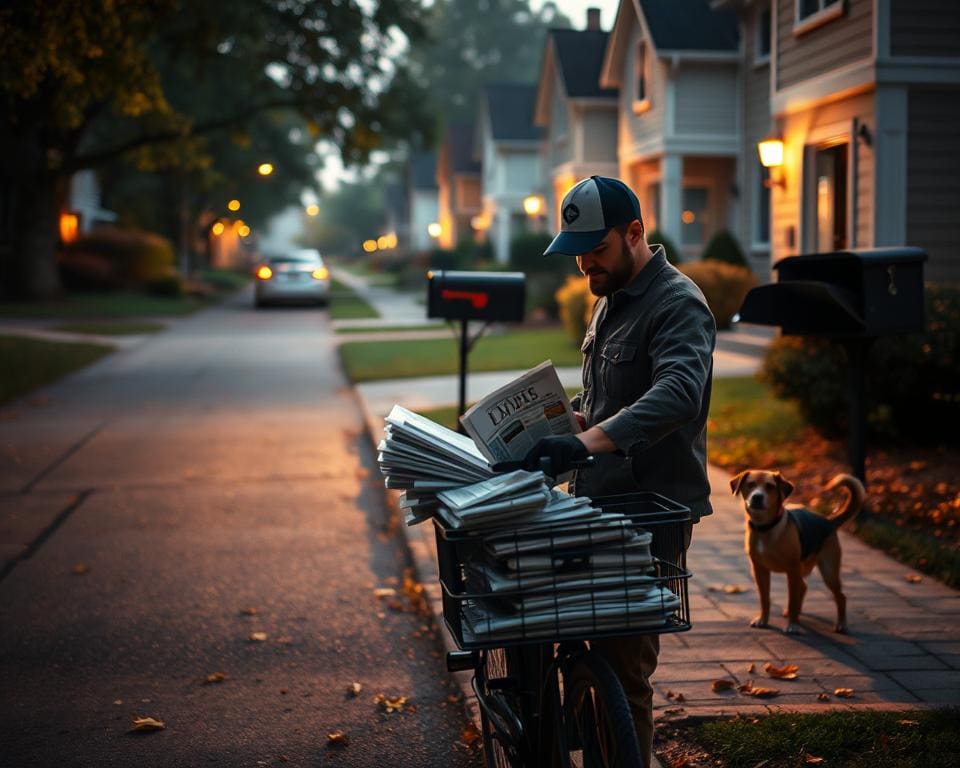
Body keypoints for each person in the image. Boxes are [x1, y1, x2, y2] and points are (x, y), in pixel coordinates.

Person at [522, 175, 716, 766]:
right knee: (577, 650)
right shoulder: (610, 299)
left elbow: (680, 392)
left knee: (625, 674)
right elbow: (610, 406)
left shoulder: (678, 302)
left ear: (635, 233)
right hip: (593, 505)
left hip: (648, 514)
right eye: (576, 251)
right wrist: (564, 425)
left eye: (596, 249)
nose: (584, 264)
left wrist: (590, 444)